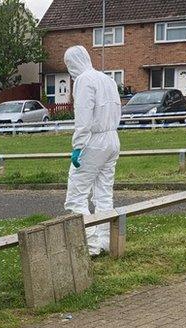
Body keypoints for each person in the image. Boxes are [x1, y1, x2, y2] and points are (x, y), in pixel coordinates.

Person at [62, 45, 121, 256]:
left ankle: (91, 244)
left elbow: (83, 117)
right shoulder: (107, 79)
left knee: (76, 196)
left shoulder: (84, 80)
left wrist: (78, 146)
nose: (69, 69)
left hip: (93, 141)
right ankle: (105, 239)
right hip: (113, 138)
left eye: (68, 64)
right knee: (104, 193)